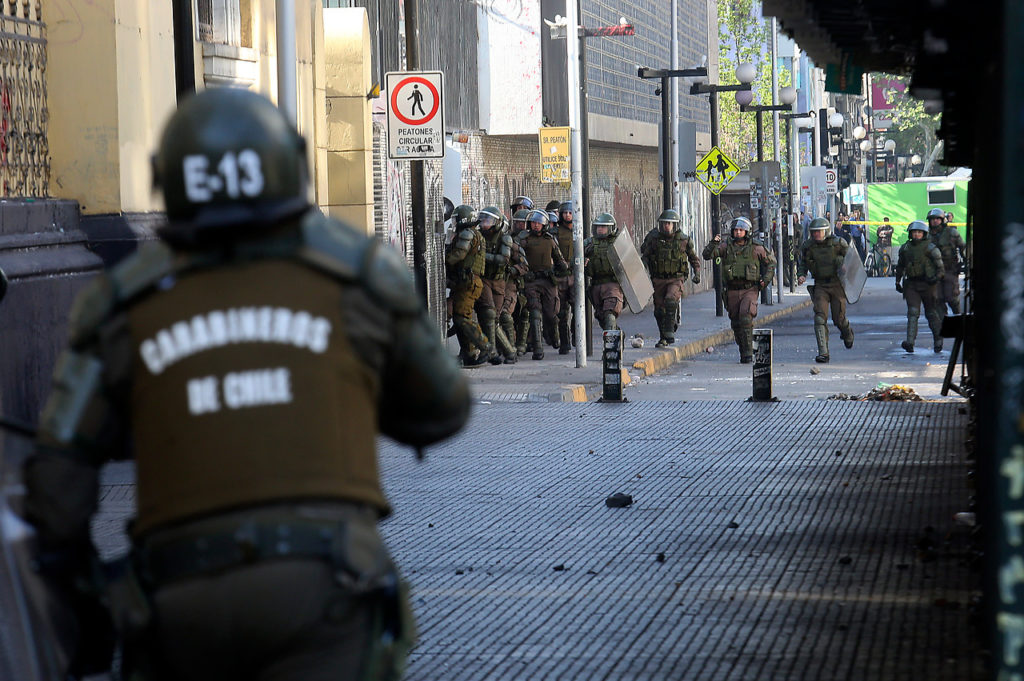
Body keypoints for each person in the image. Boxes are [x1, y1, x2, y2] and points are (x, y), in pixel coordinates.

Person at [21, 88, 471, 681]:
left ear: (166, 181)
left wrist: (79, 595)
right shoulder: (358, 273)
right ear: (294, 165)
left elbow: (58, 475)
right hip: (326, 590)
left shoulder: (120, 302)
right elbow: (443, 407)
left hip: (178, 601)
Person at [701, 216, 776, 363]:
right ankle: (743, 349)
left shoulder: (756, 247)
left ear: (747, 232)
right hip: (732, 290)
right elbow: (707, 255)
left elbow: (771, 264)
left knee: (745, 316)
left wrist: (765, 280)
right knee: (736, 323)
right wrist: (713, 243)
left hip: (750, 289)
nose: (738, 233)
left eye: (741, 230)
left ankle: (748, 354)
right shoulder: (726, 247)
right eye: (736, 230)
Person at [797, 217, 855, 363]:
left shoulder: (838, 243)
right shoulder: (808, 247)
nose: (816, 234)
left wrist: (845, 267)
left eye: (819, 231)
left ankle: (847, 332)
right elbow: (803, 263)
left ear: (826, 231)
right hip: (820, 285)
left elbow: (852, 260)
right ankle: (823, 352)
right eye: (814, 232)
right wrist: (801, 275)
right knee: (819, 318)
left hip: (837, 285)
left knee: (838, 319)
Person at [640, 208, 701, 347]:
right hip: (658, 279)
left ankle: (669, 332)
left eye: (669, 223)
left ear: (675, 225)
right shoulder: (654, 239)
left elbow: (694, 258)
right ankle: (663, 337)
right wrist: (642, 268)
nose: (666, 226)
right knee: (659, 311)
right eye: (664, 223)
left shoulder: (683, 240)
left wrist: (697, 273)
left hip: (676, 278)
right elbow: (645, 256)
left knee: (670, 300)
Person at [446, 204, 493, 366]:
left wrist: (443, 259)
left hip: (469, 283)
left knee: (463, 318)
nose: (454, 222)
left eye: (456, 219)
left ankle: (486, 347)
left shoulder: (467, 233)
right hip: (464, 282)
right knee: (459, 318)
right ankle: (469, 353)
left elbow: (458, 255)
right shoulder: (474, 234)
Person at [516, 209, 567, 359]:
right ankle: (538, 349)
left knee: (551, 314)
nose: (535, 225)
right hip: (531, 281)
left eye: (538, 223)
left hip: (548, 281)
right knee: (535, 313)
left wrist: (561, 268)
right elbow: (515, 256)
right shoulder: (524, 239)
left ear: (544, 224)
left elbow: (559, 260)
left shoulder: (550, 240)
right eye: (533, 222)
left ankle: (555, 336)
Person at [895, 220, 946, 352]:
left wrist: (936, 279)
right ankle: (910, 342)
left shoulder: (931, 248)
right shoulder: (905, 248)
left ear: (924, 234)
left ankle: (938, 340)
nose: (916, 234)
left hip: (928, 285)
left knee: (931, 313)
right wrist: (897, 281)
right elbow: (900, 266)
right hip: (912, 285)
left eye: (919, 232)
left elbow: (940, 268)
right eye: (914, 232)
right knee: (912, 313)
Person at [478, 206, 518, 364]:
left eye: (488, 220)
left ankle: (509, 351)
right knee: (489, 314)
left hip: (499, 281)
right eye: (483, 220)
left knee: (495, 319)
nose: (484, 223)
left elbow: (503, 259)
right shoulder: (479, 235)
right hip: (484, 279)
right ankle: (492, 352)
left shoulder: (504, 238)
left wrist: (483, 255)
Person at [583, 212, 626, 331]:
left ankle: (611, 342)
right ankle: (617, 335)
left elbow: (631, 262)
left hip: (613, 285)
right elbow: (575, 259)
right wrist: (582, 260)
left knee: (609, 314)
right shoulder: (589, 243)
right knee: (602, 316)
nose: (600, 229)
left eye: (603, 226)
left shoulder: (619, 243)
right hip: (596, 285)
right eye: (598, 226)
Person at [926, 207, 967, 315]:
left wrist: (968, 262)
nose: (935, 221)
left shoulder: (952, 233)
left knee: (951, 297)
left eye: (937, 219)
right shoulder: (926, 236)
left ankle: (957, 316)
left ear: (942, 220)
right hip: (934, 272)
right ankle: (943, 322)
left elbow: (963, 248)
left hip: (950, 270)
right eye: (932, 219)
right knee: (937, 299)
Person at [551, 201, 576, 354]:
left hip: (575, 275)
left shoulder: (579, 231)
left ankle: (577, 334)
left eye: (570, 213)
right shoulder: (555, 232)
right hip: (560, 276)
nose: (567, 215)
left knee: (578, 308)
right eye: (565, 213)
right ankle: (564, 342)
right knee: (561, 312)